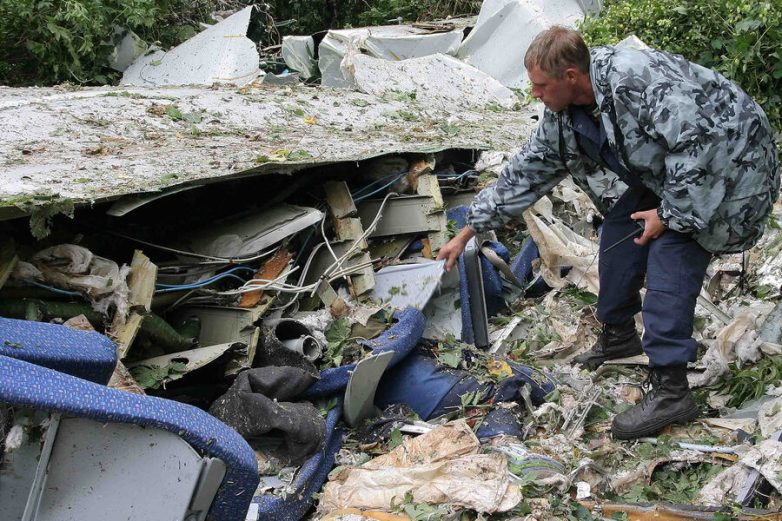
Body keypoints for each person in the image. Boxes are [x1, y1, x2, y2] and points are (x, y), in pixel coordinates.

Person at [437, 26, 780, 440]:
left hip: (730, 162)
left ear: (570, 77)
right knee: (622, 227)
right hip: (671, 168)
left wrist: (668, 214)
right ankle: (618, 336)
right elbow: (527, 171)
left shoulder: (634, 81)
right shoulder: (566, 115)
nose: (534, 94)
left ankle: (672, 389)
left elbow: (700, 142)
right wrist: (468, 230)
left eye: (540, 85)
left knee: (671, 252)